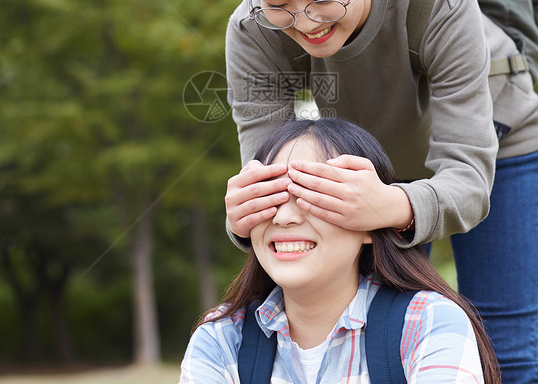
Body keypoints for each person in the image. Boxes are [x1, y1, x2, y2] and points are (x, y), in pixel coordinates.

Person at [223, 0, 538, 384]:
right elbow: (268, 178)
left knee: (503, 352)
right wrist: (246, 213)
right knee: (374, 346)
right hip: (364, 176)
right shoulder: (253, 31)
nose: (305, 23)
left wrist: (391, 205)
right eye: (279, 4)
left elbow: (468, 180)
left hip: (493, 147)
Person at [181, 118, 500, 383]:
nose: (285, 216)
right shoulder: (221, 339)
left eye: (313, 195)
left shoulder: (429, 323)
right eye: (271, 197)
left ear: (369, 222)